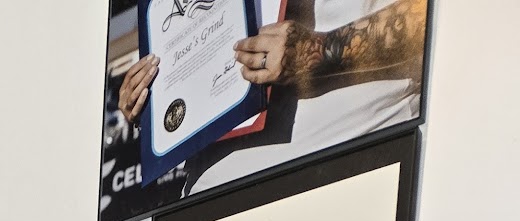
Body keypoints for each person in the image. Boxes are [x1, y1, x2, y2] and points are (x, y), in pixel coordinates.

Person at [119, 1, 426, 195]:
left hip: (349, 157)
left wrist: (321, 50)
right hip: (212, 196)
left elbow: (434, 15)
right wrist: (153, 99)